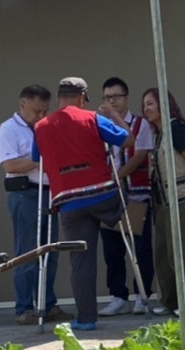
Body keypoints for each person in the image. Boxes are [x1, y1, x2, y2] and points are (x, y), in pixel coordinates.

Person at [32, 77, 131, 332]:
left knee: (81, 261)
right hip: (104, 199)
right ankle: (137, 293)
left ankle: (86, 319)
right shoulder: (93, 118)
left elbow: (36, 158)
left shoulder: (41, 127)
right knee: (125, 225)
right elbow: (127, 140)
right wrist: (115, 117)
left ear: (58, 98)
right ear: (82, 98)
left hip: (69, 204)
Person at [0, 84, 67, 325]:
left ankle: (47, 304)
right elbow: (10, 165)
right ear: (22, 104)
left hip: (48, 192)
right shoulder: (8, 129)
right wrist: (40, 162)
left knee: (50, 253)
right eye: (36, 111)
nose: (40, 116)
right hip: (25, 193)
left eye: (44, 111)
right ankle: (24, 308)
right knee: (27, 253)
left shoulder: (45, 128)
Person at [141, 87, 185, 317]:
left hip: (182, 199)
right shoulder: (160, 134)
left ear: (164, 104)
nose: (146, 109)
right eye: (144, 105)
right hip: (164, 203)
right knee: (165, 253)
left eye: (150, 103)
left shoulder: (176, 129)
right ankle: (171, 300)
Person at [99, 76, 156, 315]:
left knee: (140, 249)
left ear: (126, 98)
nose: (112, 101)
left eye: (116, 97)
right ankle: (118, 296)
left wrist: (117, 177)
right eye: (107, 97)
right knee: (112, 250)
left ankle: (143, 294)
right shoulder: (100, 125)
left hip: (135, 195)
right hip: (109, 197)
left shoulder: (140, 124)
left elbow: (139, 155)